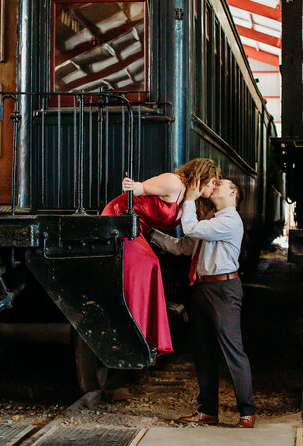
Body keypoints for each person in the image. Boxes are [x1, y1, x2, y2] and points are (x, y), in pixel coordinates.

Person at [150, 177, 256, 428]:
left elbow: (191, 230)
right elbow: (183, 247)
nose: (214, 185)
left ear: (232, 193)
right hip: (201, 287)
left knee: (232, 349)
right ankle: (207, 410)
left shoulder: (230, 220)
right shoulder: (209, 221)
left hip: (224, 289)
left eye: (221, 183)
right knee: (202, 351)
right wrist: (150, 233)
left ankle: (247, 411)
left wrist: (188, 200)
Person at [102, 158, 219, 356]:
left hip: (138, 227)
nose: (214, 187)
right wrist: (130, 185)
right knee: (148, 263)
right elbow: (139, 189)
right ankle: (134, 331)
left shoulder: (189, 199)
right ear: (202, 177)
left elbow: (188, 242)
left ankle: (143, 333)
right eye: (214, 182)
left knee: (151, 263)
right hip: (120, 219)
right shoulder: (174, 183)